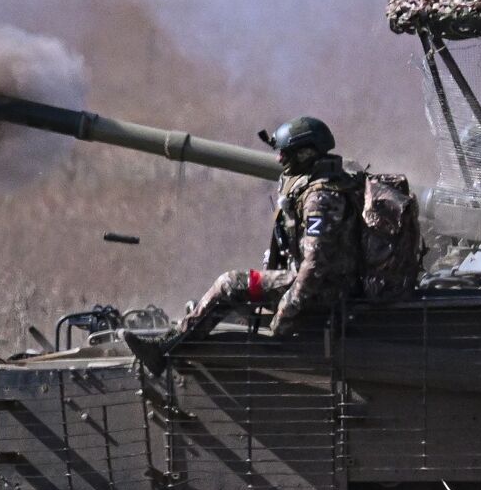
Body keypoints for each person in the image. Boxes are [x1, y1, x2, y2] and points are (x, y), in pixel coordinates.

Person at [126, 116, 359, 375]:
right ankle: (180, 338)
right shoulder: (325, 184)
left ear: (305, 153)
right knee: (238, 290)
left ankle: (164, 350)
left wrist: (287, 310)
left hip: (327, 290)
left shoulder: (320, 198)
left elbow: (315, 266)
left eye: (286, 153)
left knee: (229, 284)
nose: (280, 159)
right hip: (325, 283)